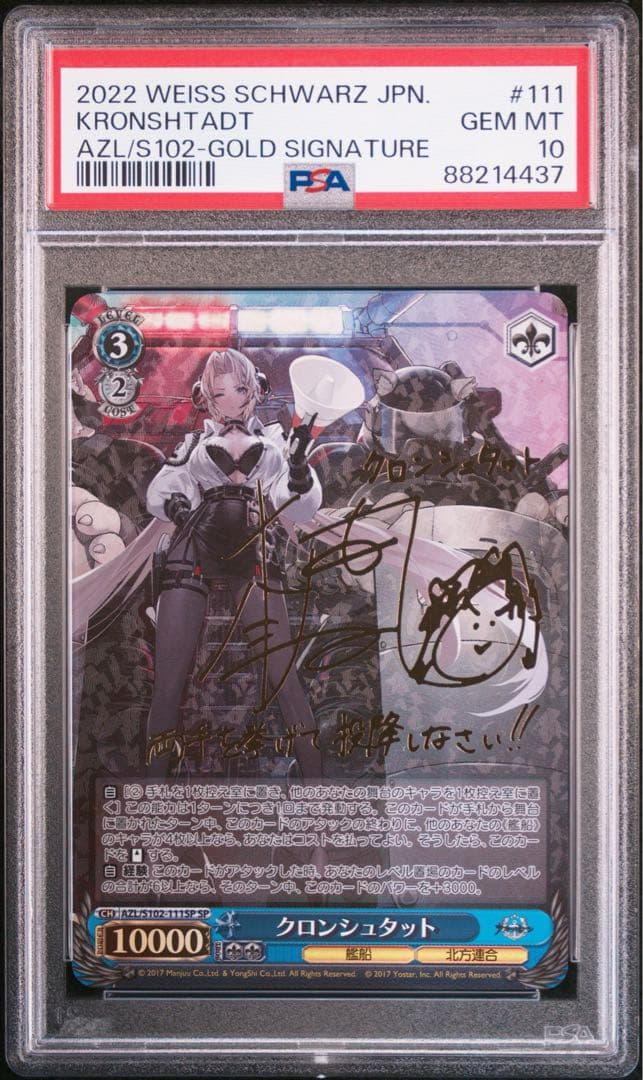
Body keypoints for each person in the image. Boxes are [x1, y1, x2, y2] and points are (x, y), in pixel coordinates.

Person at [145, 347, 323, 778]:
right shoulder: (194, 443)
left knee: (285, 679)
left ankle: (320, 794)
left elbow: (300, 505)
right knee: (167, 686)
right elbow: (161, 491)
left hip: (253, 549)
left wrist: (299, 471)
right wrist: (178, 506)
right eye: (218, 393)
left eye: (239, 390)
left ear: (256, 390)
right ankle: (149, 799)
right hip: (194, 551)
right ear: (204, 397)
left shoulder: (278, 441)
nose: (230, 402)